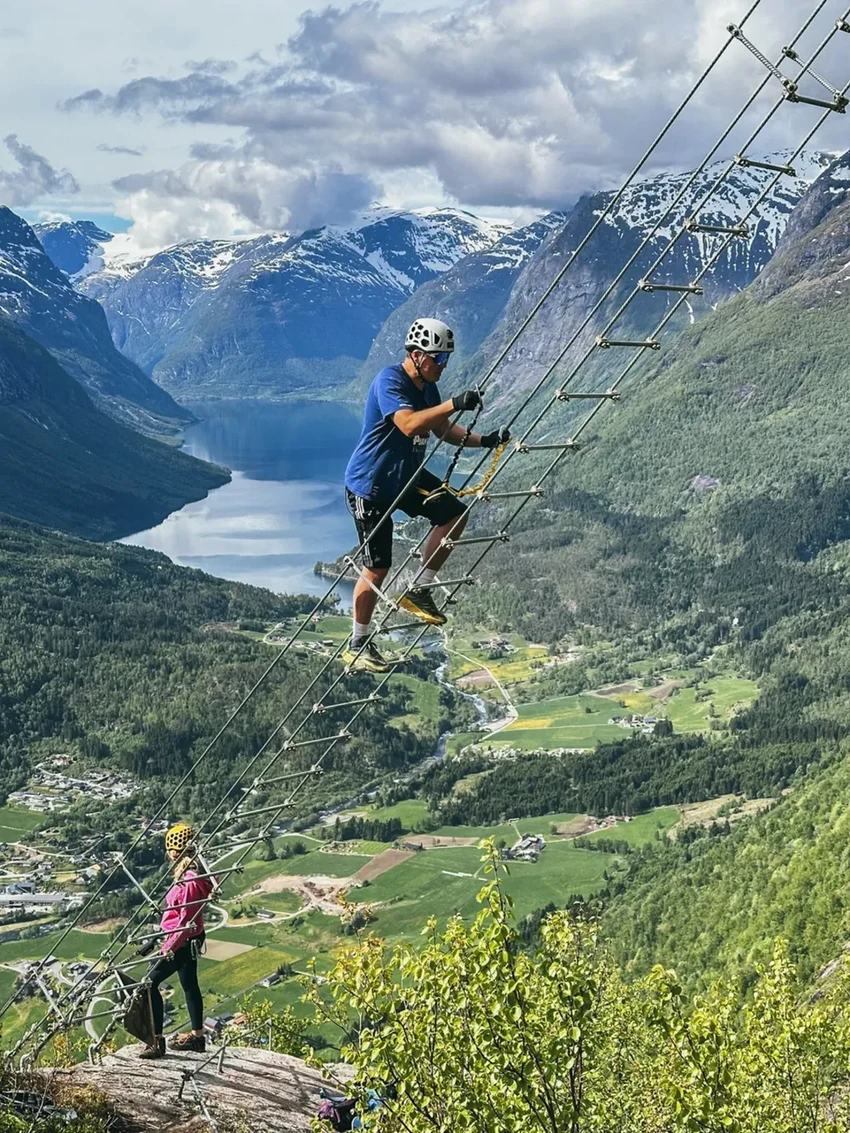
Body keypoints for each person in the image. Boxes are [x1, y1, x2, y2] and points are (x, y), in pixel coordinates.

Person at [343, 318, 510, 673]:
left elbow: (443, 430)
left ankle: (419, 589)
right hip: (371, 485)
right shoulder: (390, 380)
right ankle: (357, 641)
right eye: (439, 358)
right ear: (417, 355)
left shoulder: (427, 386)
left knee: (455, 514)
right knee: (377, 568)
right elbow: (408, 424)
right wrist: (453, 402)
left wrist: (486, 440)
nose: (443, 365)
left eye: (446, 359)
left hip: (406, 478)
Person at [137, 822, 213, 1059]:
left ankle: (156, 1041)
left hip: (181, 940)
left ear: (173, 851)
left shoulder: (189, 880)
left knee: (148, 984)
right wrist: (158, 936)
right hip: (190, 938)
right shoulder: (197, 873)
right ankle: (197, 1038)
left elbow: (184, 920)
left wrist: (167, 948)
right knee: (189, 985)